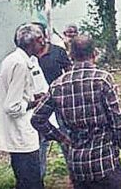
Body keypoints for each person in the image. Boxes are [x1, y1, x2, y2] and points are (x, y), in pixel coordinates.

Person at [32, 35, 121, 189]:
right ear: (95, 53)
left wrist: (61, 138)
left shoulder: (57, 85)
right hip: (105, 162)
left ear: (71, 56)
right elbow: (117, 119)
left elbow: (37, 118)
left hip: (78, 165)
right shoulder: (103, 79)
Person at [0, 23, 50, 189]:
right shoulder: (20, 64)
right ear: (31, 43)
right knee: (31, 181)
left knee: (24, 179)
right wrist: (34, 102)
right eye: (40, 40)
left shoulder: (13, 59)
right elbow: (12, 106)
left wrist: (30, 97)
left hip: (18, 136)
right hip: (22, 135)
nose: (43, 43)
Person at [30, 22, 74, 177]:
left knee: (66, 137)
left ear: (42, 38)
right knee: (40, 142)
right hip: (39, 105)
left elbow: (69, 73)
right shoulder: (30, 58)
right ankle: (38, 178)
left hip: (60, 103)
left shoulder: (58, 52)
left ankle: (75, 174)